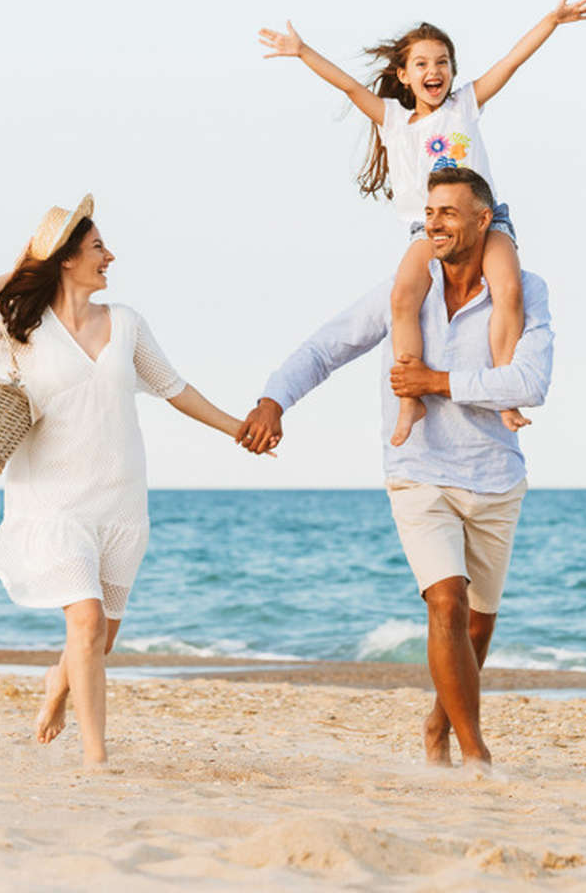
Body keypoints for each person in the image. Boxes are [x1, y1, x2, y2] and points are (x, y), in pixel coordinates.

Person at [237, 169, 554, 769]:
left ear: (484, 221)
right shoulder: (405, 290)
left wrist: (436, 382)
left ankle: (438, 723)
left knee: (477, 627)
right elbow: (327, 346)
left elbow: (531, 384)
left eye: (449, 213)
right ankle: (475, 754)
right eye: (429, 212)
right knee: (445, 603)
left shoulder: (526, 290)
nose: (433, 223)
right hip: (419, 469)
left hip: (495, 476)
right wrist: (274, 399)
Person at [0, 194, 260, 769]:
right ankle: (96, 758)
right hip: (51, 500)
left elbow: (175, 389)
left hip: (119, 500)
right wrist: (22, 268)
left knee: (98, 639)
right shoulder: (23, 329)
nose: (109, 256)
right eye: (96, 247)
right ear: (66, 258)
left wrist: (236, 428)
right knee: (86, 621)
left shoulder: (127, 323)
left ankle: (58, 687)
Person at [258, 0, 586, 446]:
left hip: (485, 223)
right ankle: (410, 398)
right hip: (425, 229)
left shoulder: (465, 105)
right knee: (402, 298)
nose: (433, 71)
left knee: (508, 289)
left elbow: (510, 63)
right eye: (421, 64)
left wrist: (550, 21)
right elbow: (349, 87)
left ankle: (504, 391)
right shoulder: (394, 120)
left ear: (452, 71)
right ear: (403, 75)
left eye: (443, 62)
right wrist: (302, 52)